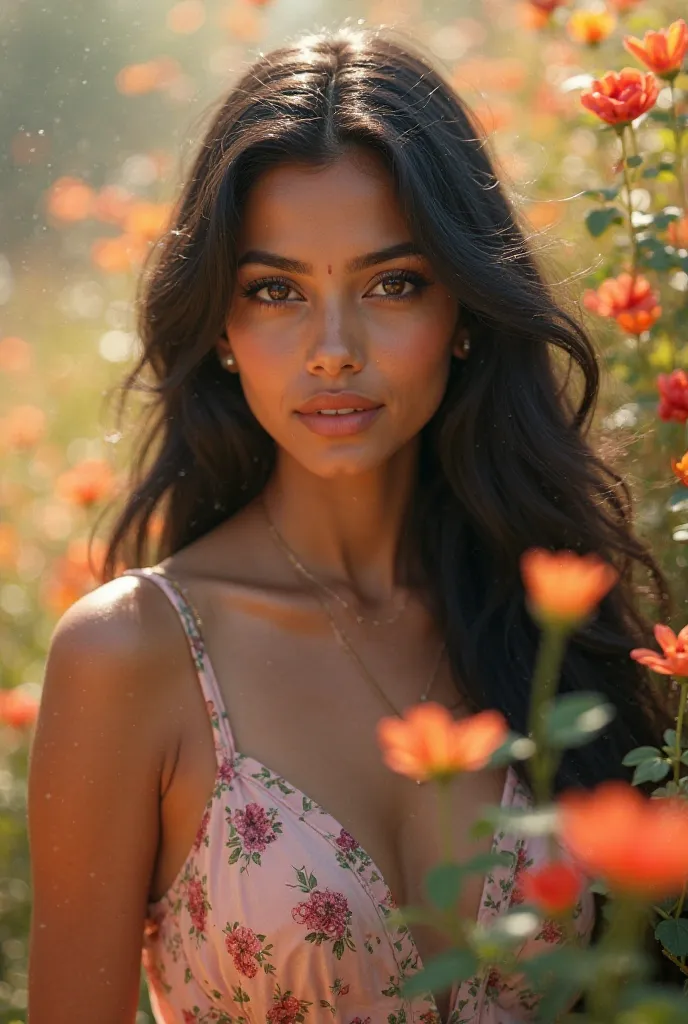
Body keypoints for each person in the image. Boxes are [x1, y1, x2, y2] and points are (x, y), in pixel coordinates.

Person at [27, 25, 673, 1024]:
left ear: (462, 307)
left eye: (391, 283)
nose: (332, 349)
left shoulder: (553, 622)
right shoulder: (135, 654)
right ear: (224, 329)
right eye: (275, 290)